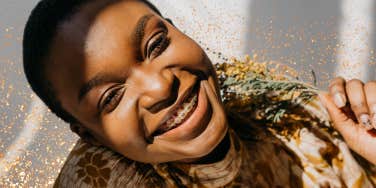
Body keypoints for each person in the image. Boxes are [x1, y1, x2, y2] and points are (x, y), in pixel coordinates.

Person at [22, 0, 376, 187]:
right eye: (112, 97)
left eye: (157, 44)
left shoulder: (303, 122)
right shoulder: (96, 180)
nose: (161, 87)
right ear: (89, 134)